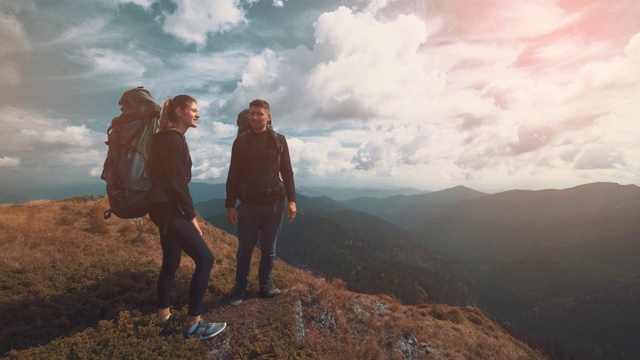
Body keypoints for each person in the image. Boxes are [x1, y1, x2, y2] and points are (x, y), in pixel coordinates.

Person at [148, 95, 226, 340]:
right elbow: (177, 183)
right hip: (170, 210)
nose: (198, 114)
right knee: (205, 259)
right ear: (179, 112)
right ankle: (194, 324)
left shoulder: (166, 138)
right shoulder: (172, 139)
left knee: (171, 262)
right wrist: (191, 216)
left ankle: (163, 314)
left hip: (162, 209)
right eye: (193, 109)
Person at [225, 99, 297, 306]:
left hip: (274, 204)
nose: (255, 117)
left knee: (269, 249)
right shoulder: (240, 142)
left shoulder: (279, 140)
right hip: (248, 205)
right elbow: (233, 174)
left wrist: (292, 200)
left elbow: (287, 170)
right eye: (252, 114)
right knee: (244, 250)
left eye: (259, 114)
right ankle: (240, 290)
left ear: (269, 116)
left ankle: (265, 285)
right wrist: (229, 204)